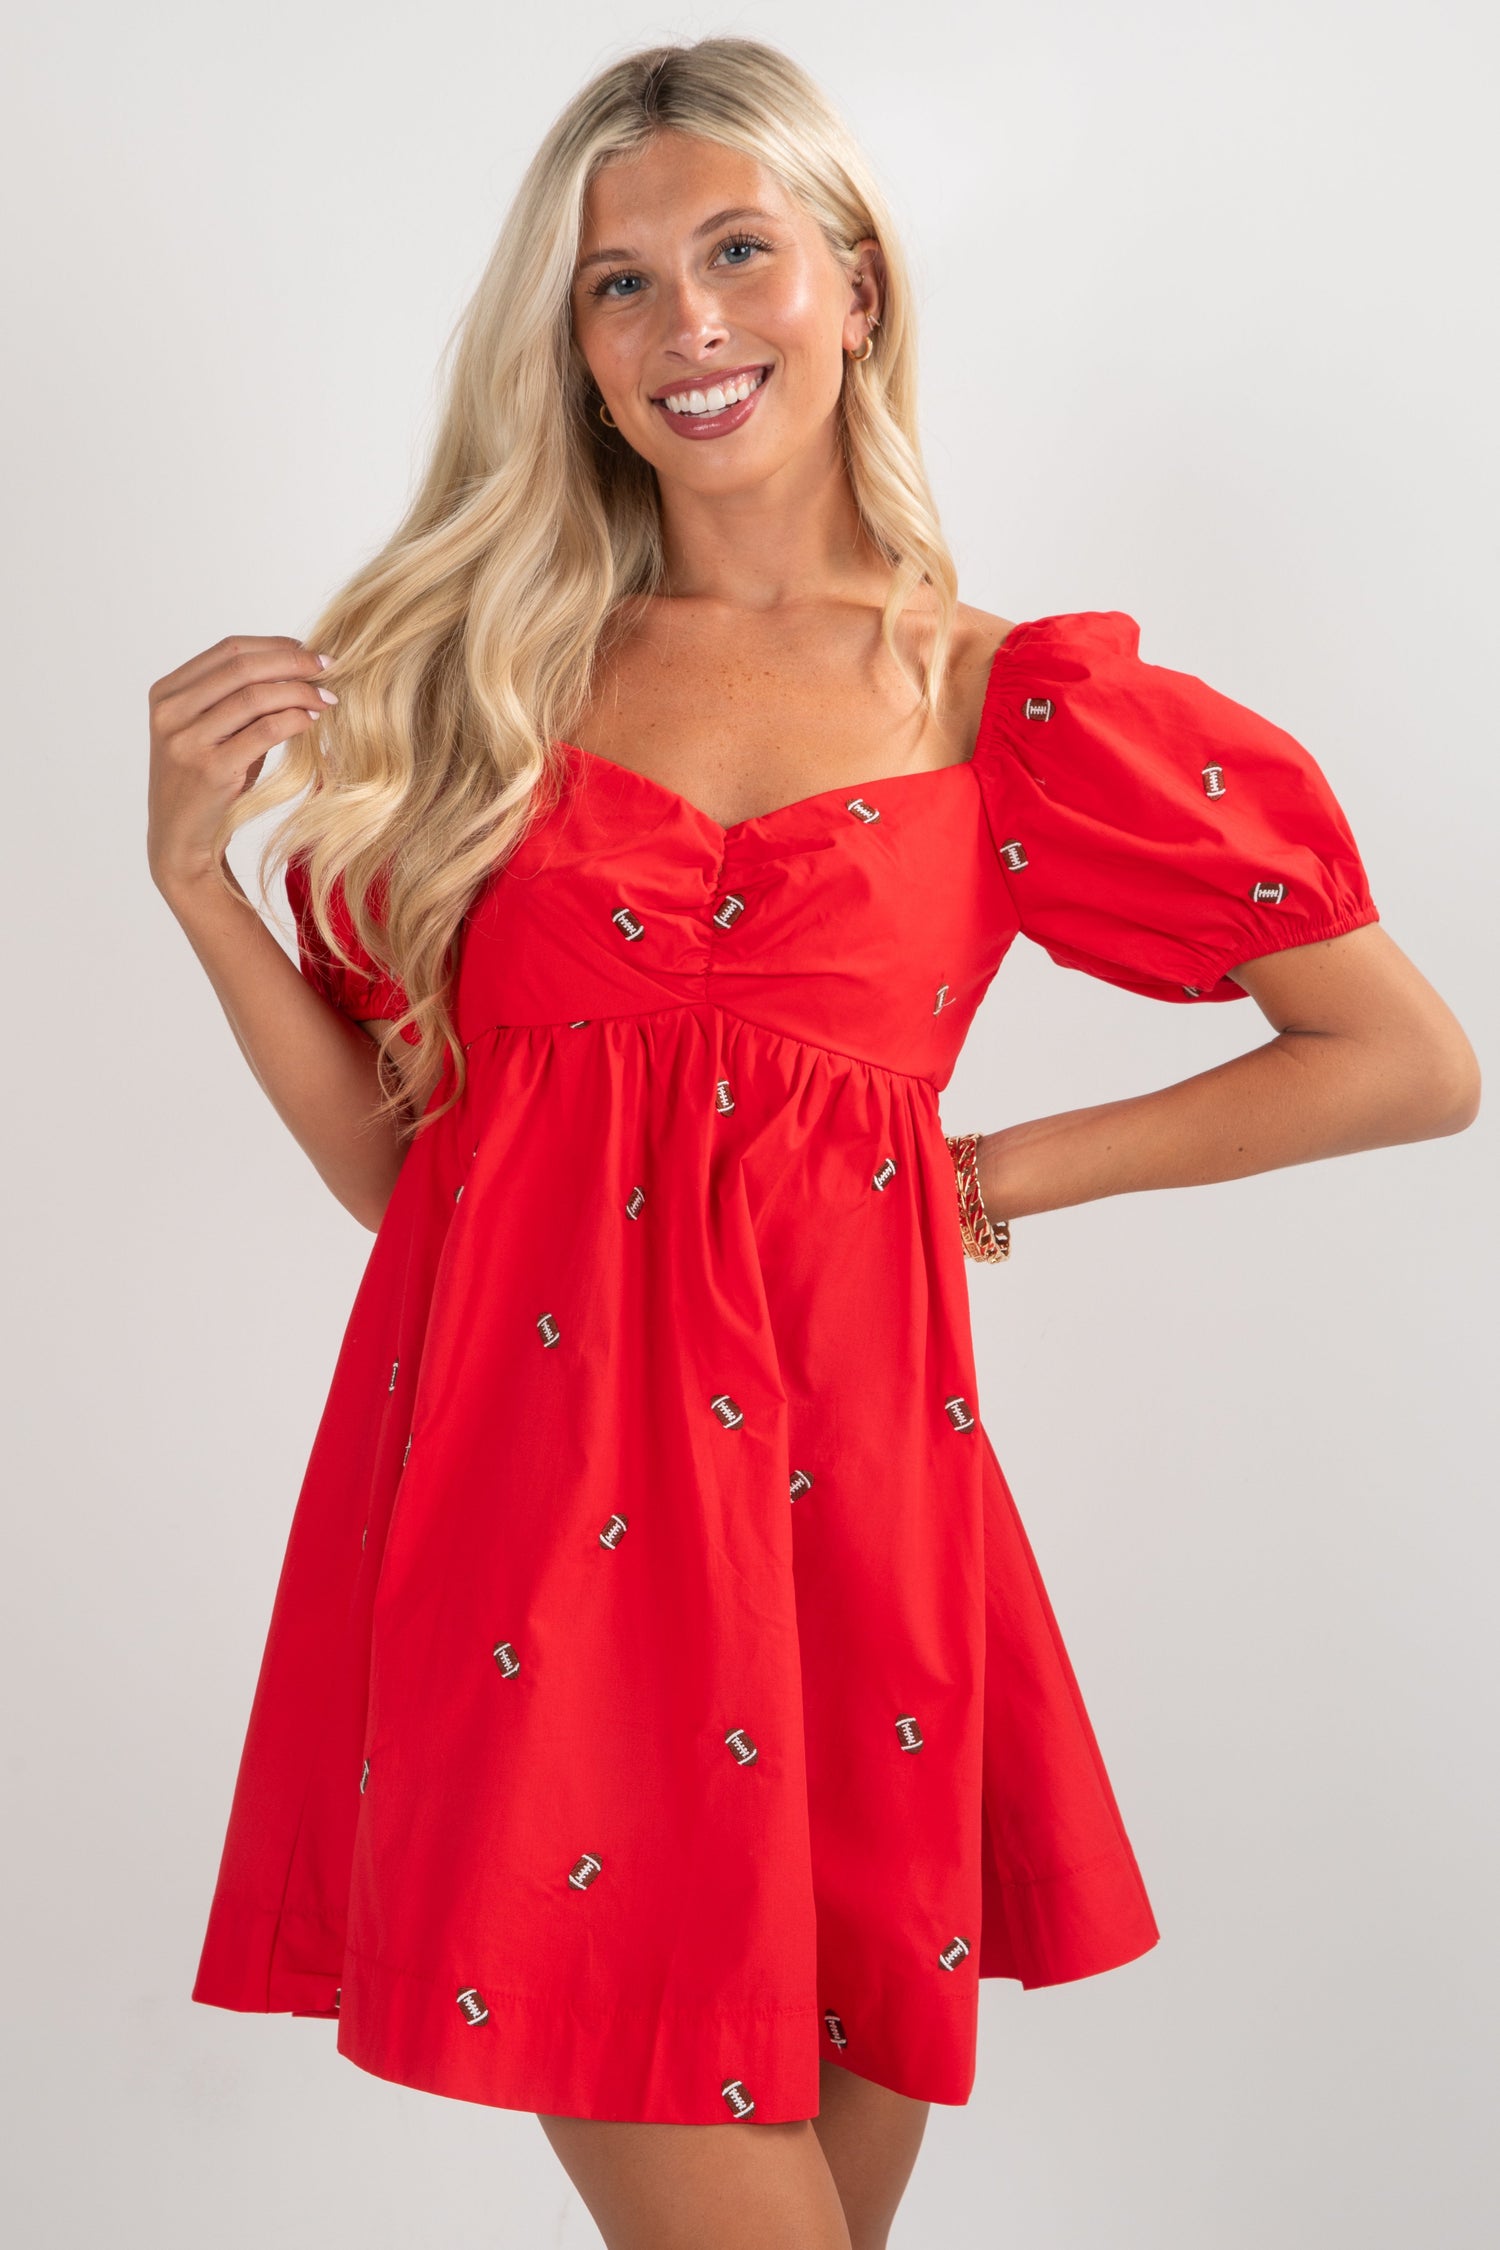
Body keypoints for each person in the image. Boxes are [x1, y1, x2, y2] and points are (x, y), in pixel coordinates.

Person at [147, 36, 1479, 2250]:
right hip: (527, 1547)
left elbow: (1405, 1058)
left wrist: (990, 1175)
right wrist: (201, 889)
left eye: (739, 253)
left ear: (850, 283)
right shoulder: (486, 695)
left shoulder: (1001, 704)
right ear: (564, 352)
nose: (688, 326)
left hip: (848, 1532)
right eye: (616, 285)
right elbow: (420, 1190)